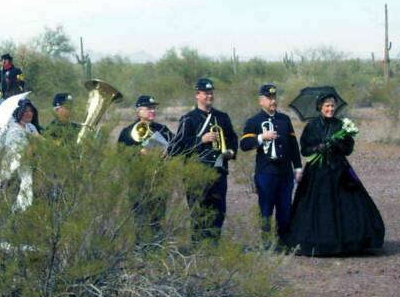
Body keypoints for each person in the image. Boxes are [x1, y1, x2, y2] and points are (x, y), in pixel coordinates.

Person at [281, 93, 385, 256]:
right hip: (316, 172)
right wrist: (318, 148)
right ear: (320, 107)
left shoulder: (341, 125)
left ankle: (348, 243)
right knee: (315, 205)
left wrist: (337, 145)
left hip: (339, 170)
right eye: (327, 106)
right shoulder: (312, 126)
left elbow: (348, 149)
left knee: (348, 204)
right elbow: (305, 149)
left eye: (332, 106)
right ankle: (316, 242)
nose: (330, 109)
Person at [168, 78, 237, 241]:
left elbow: (232, 138)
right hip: (196, 172)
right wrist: (201, 139)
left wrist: (231, 151)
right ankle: (198, 244)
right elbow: (179, 147)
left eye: (211, 93)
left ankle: (214, 242)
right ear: (197, 95)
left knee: (218, 209)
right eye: (206, 93)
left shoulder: (222, 117)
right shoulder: (188, 118)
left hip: (219, 170)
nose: (209, 96)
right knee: (198, 209)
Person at [240, 84, 302, 242]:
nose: (273, 101)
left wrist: (298, 167)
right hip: (266, 172)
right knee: (266, 209)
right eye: (269, 98)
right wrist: (261, 138)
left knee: (285, 209)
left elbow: (293, 145)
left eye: (274, 98)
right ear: (261, 101)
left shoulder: (284, 119)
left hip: (285, 172)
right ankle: (267, 242)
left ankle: (284, 240)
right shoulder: (254, 121)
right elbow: (244, 145)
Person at [118, 95, 174, 241]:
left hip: (159, 179)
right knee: (140, 216)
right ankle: (141, 248)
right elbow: (121, 155)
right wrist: (139, 153)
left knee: (158, 215)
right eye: (149, 108)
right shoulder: (127, 132)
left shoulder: (162, 129)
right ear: (139, 111)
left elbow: (176, 146)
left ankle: (158, 246)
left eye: (154, 108)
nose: (153, 111)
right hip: (138, 180)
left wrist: (168, 153)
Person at [0, 98, 40, 211]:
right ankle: (18, 209)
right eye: (26, 111)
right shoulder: (13, 130)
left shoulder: (31, 127)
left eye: (31, 111)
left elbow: (42, 141)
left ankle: (24, 206)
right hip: (15, 163)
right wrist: (33, 144)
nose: (29, 113)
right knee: (26, 178)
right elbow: (19, 152)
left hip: (29, 161)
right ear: (19, 112)